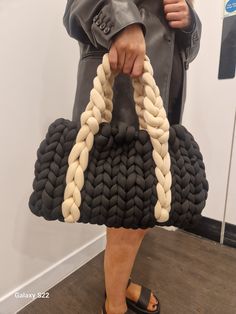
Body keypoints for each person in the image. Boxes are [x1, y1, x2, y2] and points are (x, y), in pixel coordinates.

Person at [63, 1, 201, 313]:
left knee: (137, 208)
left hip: (162, 96)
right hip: (122, 82)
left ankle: (119, 283)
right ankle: (113, 304)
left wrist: (190, 22)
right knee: (128, 211)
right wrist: (122, 23)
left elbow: (187, 51)